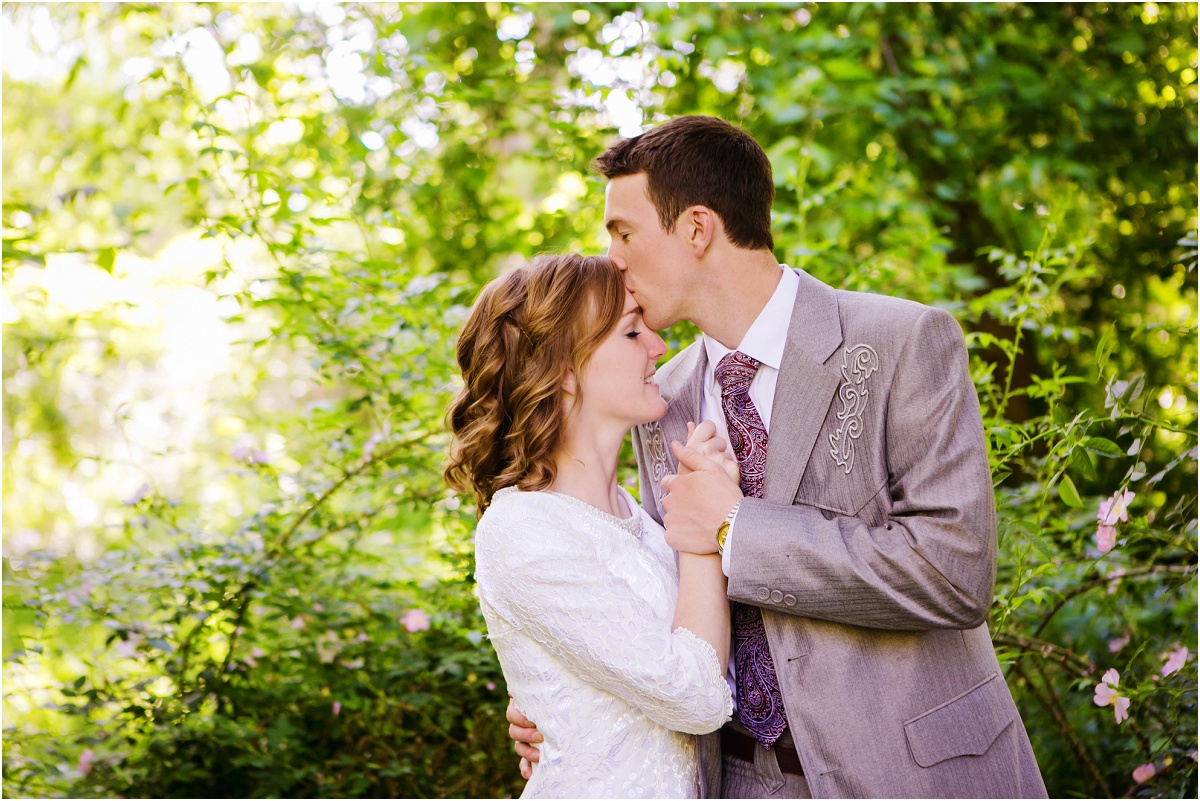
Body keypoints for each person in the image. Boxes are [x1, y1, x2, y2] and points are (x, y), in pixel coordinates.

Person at [507, 116, 1048, 798]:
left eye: (624, 233)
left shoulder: (902, 341)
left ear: (697, 228)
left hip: (913, 774)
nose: (612, 260)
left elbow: (954, 569)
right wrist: (567, 693)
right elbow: (659, 601)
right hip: (733, 780)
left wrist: (738, 529)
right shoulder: (658, 401)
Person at [445, 253, 739, 797]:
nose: (658, 346)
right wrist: (702, 537)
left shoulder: (637, 516)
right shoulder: (523, 531)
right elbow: (697, 698)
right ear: (563, 371)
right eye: (631, 333)